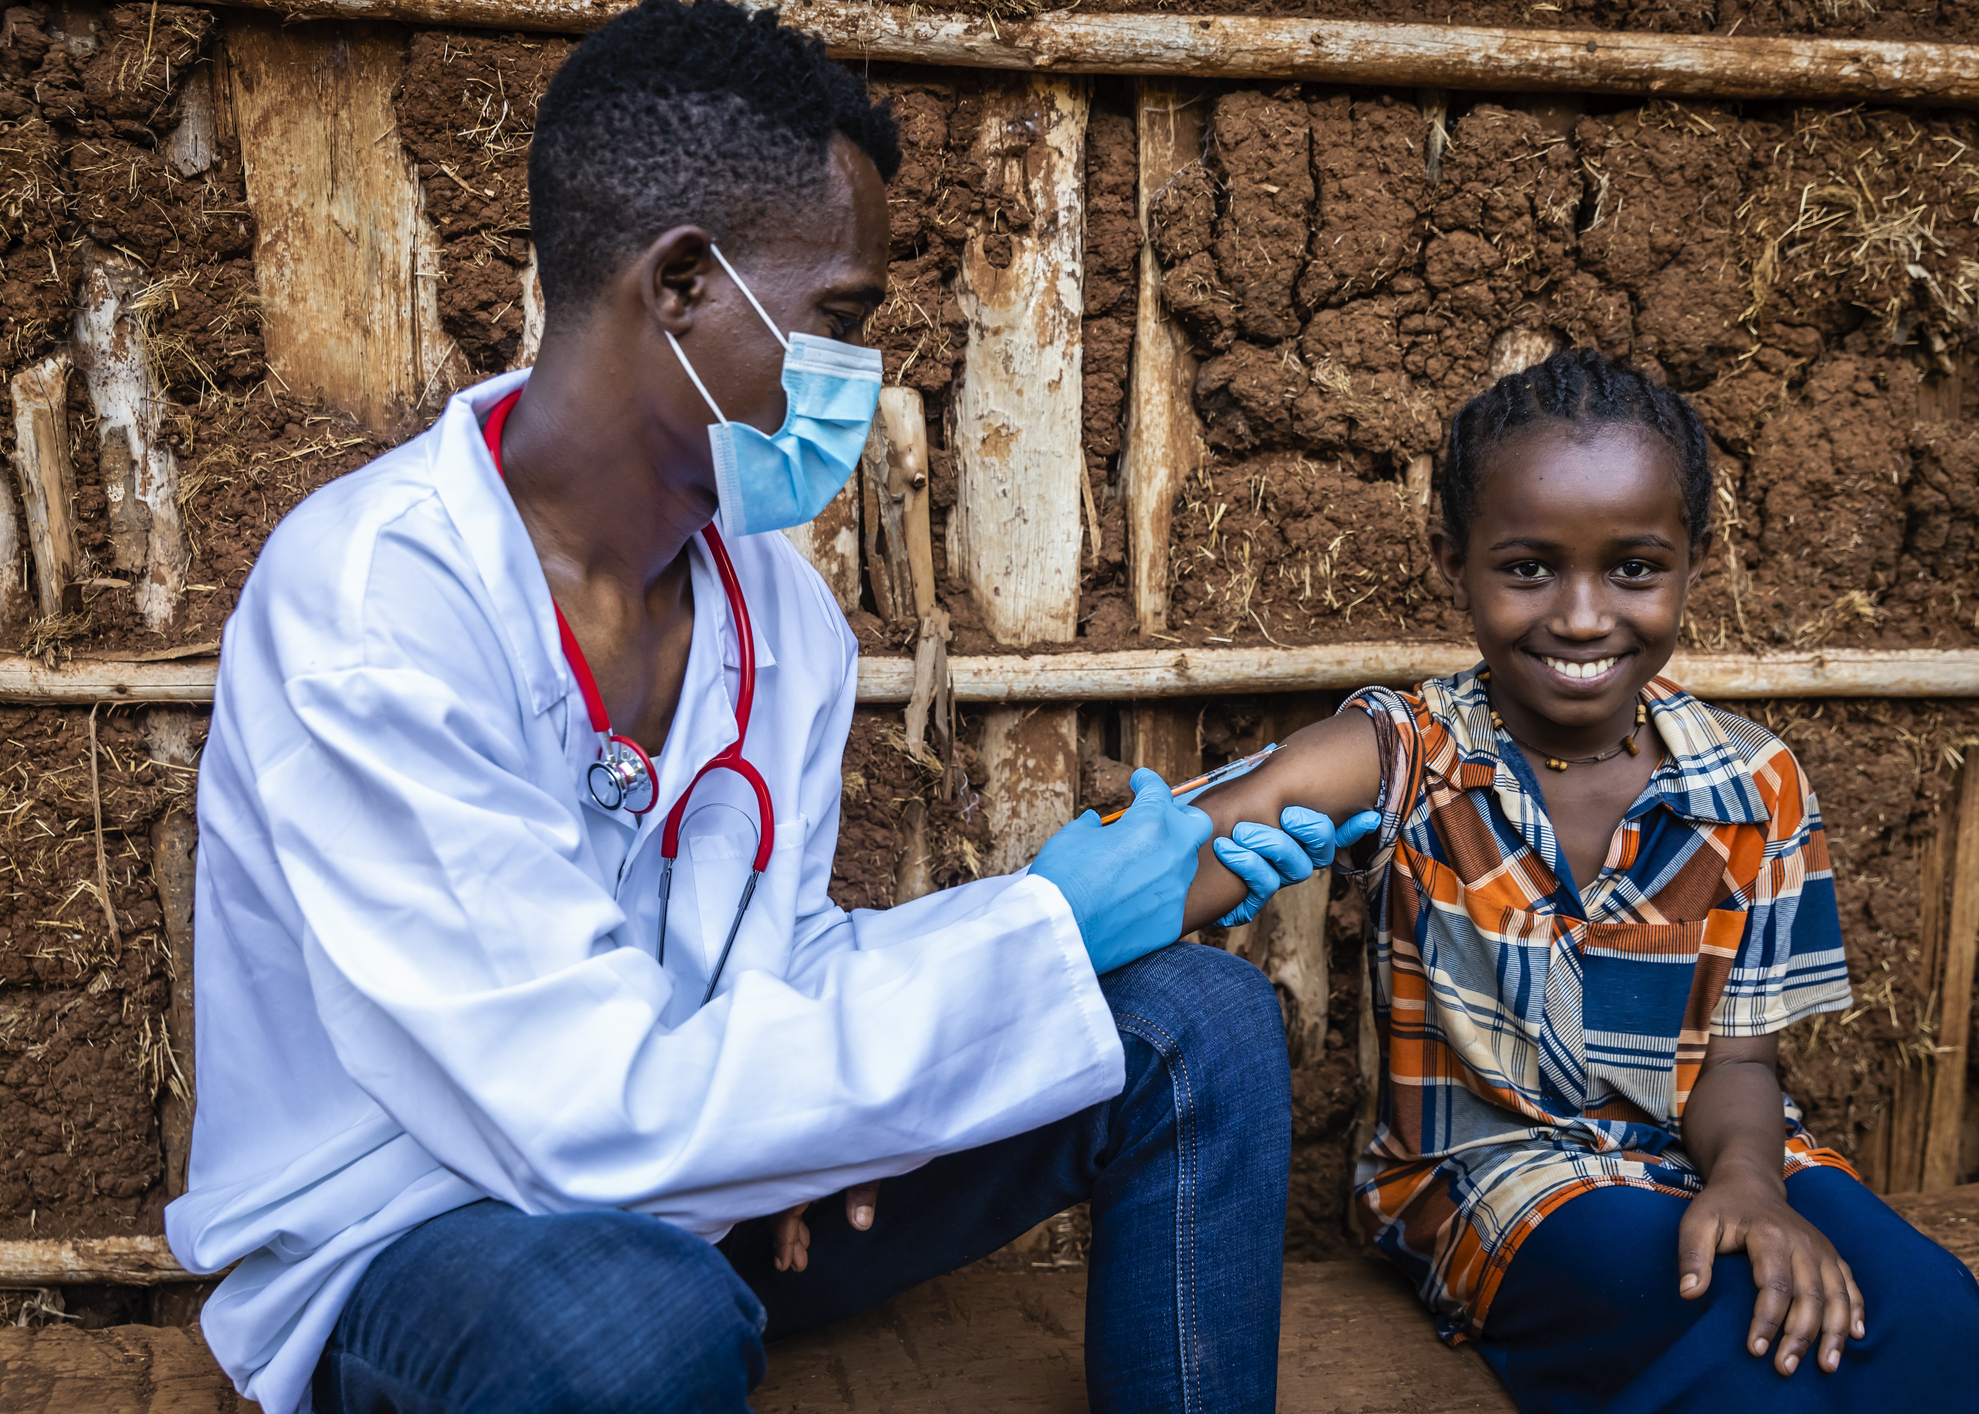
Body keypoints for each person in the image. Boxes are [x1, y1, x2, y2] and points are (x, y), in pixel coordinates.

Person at [164, 5, 1374, 1411]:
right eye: (840, 319)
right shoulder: (378, 606)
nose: (861, 377)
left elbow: (773, 964)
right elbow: (573, 1116)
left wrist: (801, 1137)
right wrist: (1032, 935)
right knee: (627, 1328)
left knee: (1193, 1019)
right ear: (681, 281)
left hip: (705, 1154)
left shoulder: (774, 613)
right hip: (424, 1231)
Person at [1170, 348, 1979, 1412]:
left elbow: (1740, 1060)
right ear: (1453, 557)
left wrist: (1751, 1181)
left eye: (1633, 568)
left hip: (1707, 1146)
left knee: (1924, 1306)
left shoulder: (1751, 783)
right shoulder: (1410, 754)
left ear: (1693, 559)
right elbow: (1180, 858)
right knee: (1729, 1330)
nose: (1583, 617)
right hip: (1491, 1171)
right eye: (1528, 568)